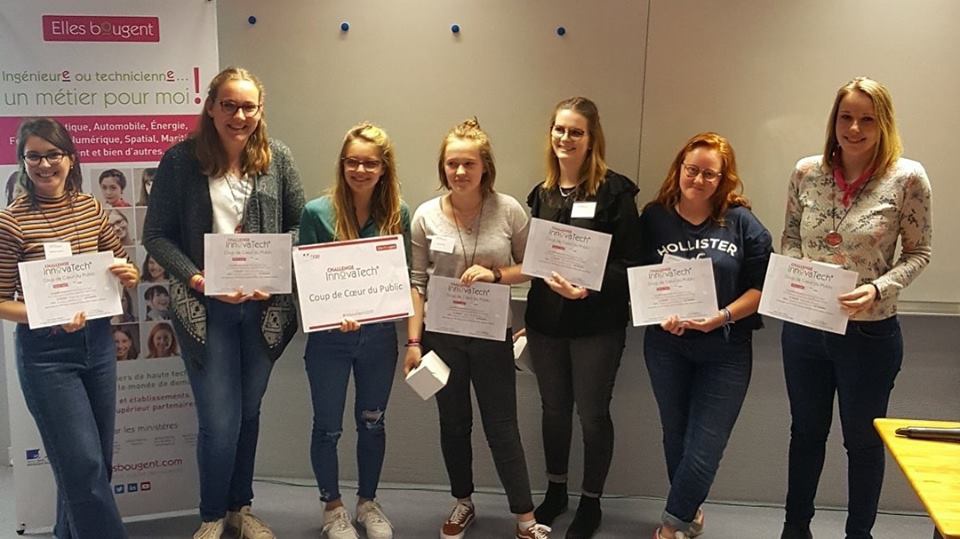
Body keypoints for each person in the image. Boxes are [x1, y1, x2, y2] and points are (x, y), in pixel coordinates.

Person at [142, 66, 304, 539]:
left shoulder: (279, 158)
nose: (239, 115)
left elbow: (299, 225)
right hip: (205, 310)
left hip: (263, 309)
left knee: (248, 412)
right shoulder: (180, 161)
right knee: (218, 419)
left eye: (248, 106)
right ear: (211, 107)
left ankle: (239, 507)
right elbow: (156, 235)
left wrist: (274, 272)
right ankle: (212, 514)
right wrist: (198, 278)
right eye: (229, 105)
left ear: (260, 110)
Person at [779, 77, 932, 539]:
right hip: (806, 329)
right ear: (834, 121)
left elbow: (919, 252)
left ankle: (858, 535)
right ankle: (795, 529)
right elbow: (790, 236)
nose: (854, 128)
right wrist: (797, 271)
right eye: (846, 117)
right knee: (805, 434)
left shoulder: (907, 178)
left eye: (867, 119)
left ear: (883, 124)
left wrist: (879, 289)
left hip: (868, 333)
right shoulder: (807, 172)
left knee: (863, 443)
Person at [404, 118, 551, 539]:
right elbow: (417, 283)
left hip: (491, 336)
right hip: (442, 337)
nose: (460, 171)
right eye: (452, 163)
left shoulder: (509, 210)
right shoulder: (426, 215)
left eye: (469, 163)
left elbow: (533, 266)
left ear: (485, 166)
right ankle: (463, 502)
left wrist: (496, 274)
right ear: (443, 167)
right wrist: (413, 341)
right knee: (454, 424)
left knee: (502, 427)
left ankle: (525, 519)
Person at [0, 117, 139, 539]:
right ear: (23, 161)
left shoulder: (91, 208)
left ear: (71, 158)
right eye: (34, 156)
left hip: (97, 345)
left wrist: (128, 273)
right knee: (83, 466)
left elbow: (119, 263)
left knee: (94, 465)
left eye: (53, 154)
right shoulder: (11, 222)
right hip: (47, 355)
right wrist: (46, 313)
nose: (44, 165)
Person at [639, 132, 773, 539]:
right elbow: (638, 278)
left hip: (726, 350)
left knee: (706, 444)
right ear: (679, 169)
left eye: (709, 174)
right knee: (676, 437)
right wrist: (658, 314)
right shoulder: (654, 217)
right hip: (666, 346)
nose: (698, 179)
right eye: (691, 169)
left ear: (723, 178)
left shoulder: (742, 222)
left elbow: (763, 288)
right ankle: (688, 513)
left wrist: (720, 317)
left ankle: (670, 527)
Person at [524, 97, 640, 539]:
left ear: (592, 139)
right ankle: (556, 492)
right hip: (545, 325)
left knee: (592, 414)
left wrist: (589, 287)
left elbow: (633, 264)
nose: (565, 138)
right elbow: (536, 259)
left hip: (596, 325)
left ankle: (591, 502)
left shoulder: (615, 192)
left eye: (576, 132)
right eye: (560, 129)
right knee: (553, 410)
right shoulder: (542, 193)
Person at [298, 122, 411, 539]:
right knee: (327, 428)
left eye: (369, 163)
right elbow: (307, 281)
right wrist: (334, 313)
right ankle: (333, 508)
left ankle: (367, 503)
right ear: (342, 164)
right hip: (330, 340)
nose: (360, 170)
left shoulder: (399, 212)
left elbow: (402, 278)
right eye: (352, 162)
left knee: (373, 423)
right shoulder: (316, 213)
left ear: (384, 168)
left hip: (379, 338)